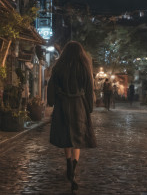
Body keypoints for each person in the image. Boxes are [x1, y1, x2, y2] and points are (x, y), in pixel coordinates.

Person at [47, 41, 96, 192]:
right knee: (78, 136)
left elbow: (51, 85)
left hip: (62, 104)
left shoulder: (59, 66)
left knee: (66, 135)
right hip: (79, 105)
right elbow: (89, 87)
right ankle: (73, 167)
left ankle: (68, 163)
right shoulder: (84, 66)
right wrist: (89, 107)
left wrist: (51, 102)